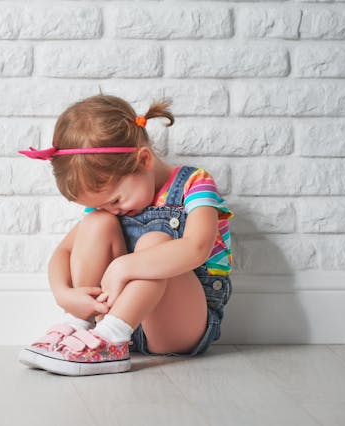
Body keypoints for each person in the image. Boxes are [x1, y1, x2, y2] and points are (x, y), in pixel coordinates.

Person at [16, 94, 234, 376]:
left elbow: (197, 248)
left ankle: (112, 338)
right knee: (96, 224)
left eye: (116, 201)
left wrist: (124, 266)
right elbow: (63, 252)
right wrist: (65, 294)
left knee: (154, 243)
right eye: (103, 203)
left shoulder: (195, 183)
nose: (113, 210)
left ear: (143, 160)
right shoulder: (108, 211)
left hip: (178, 326)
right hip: (111, 323)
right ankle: (81, 327)